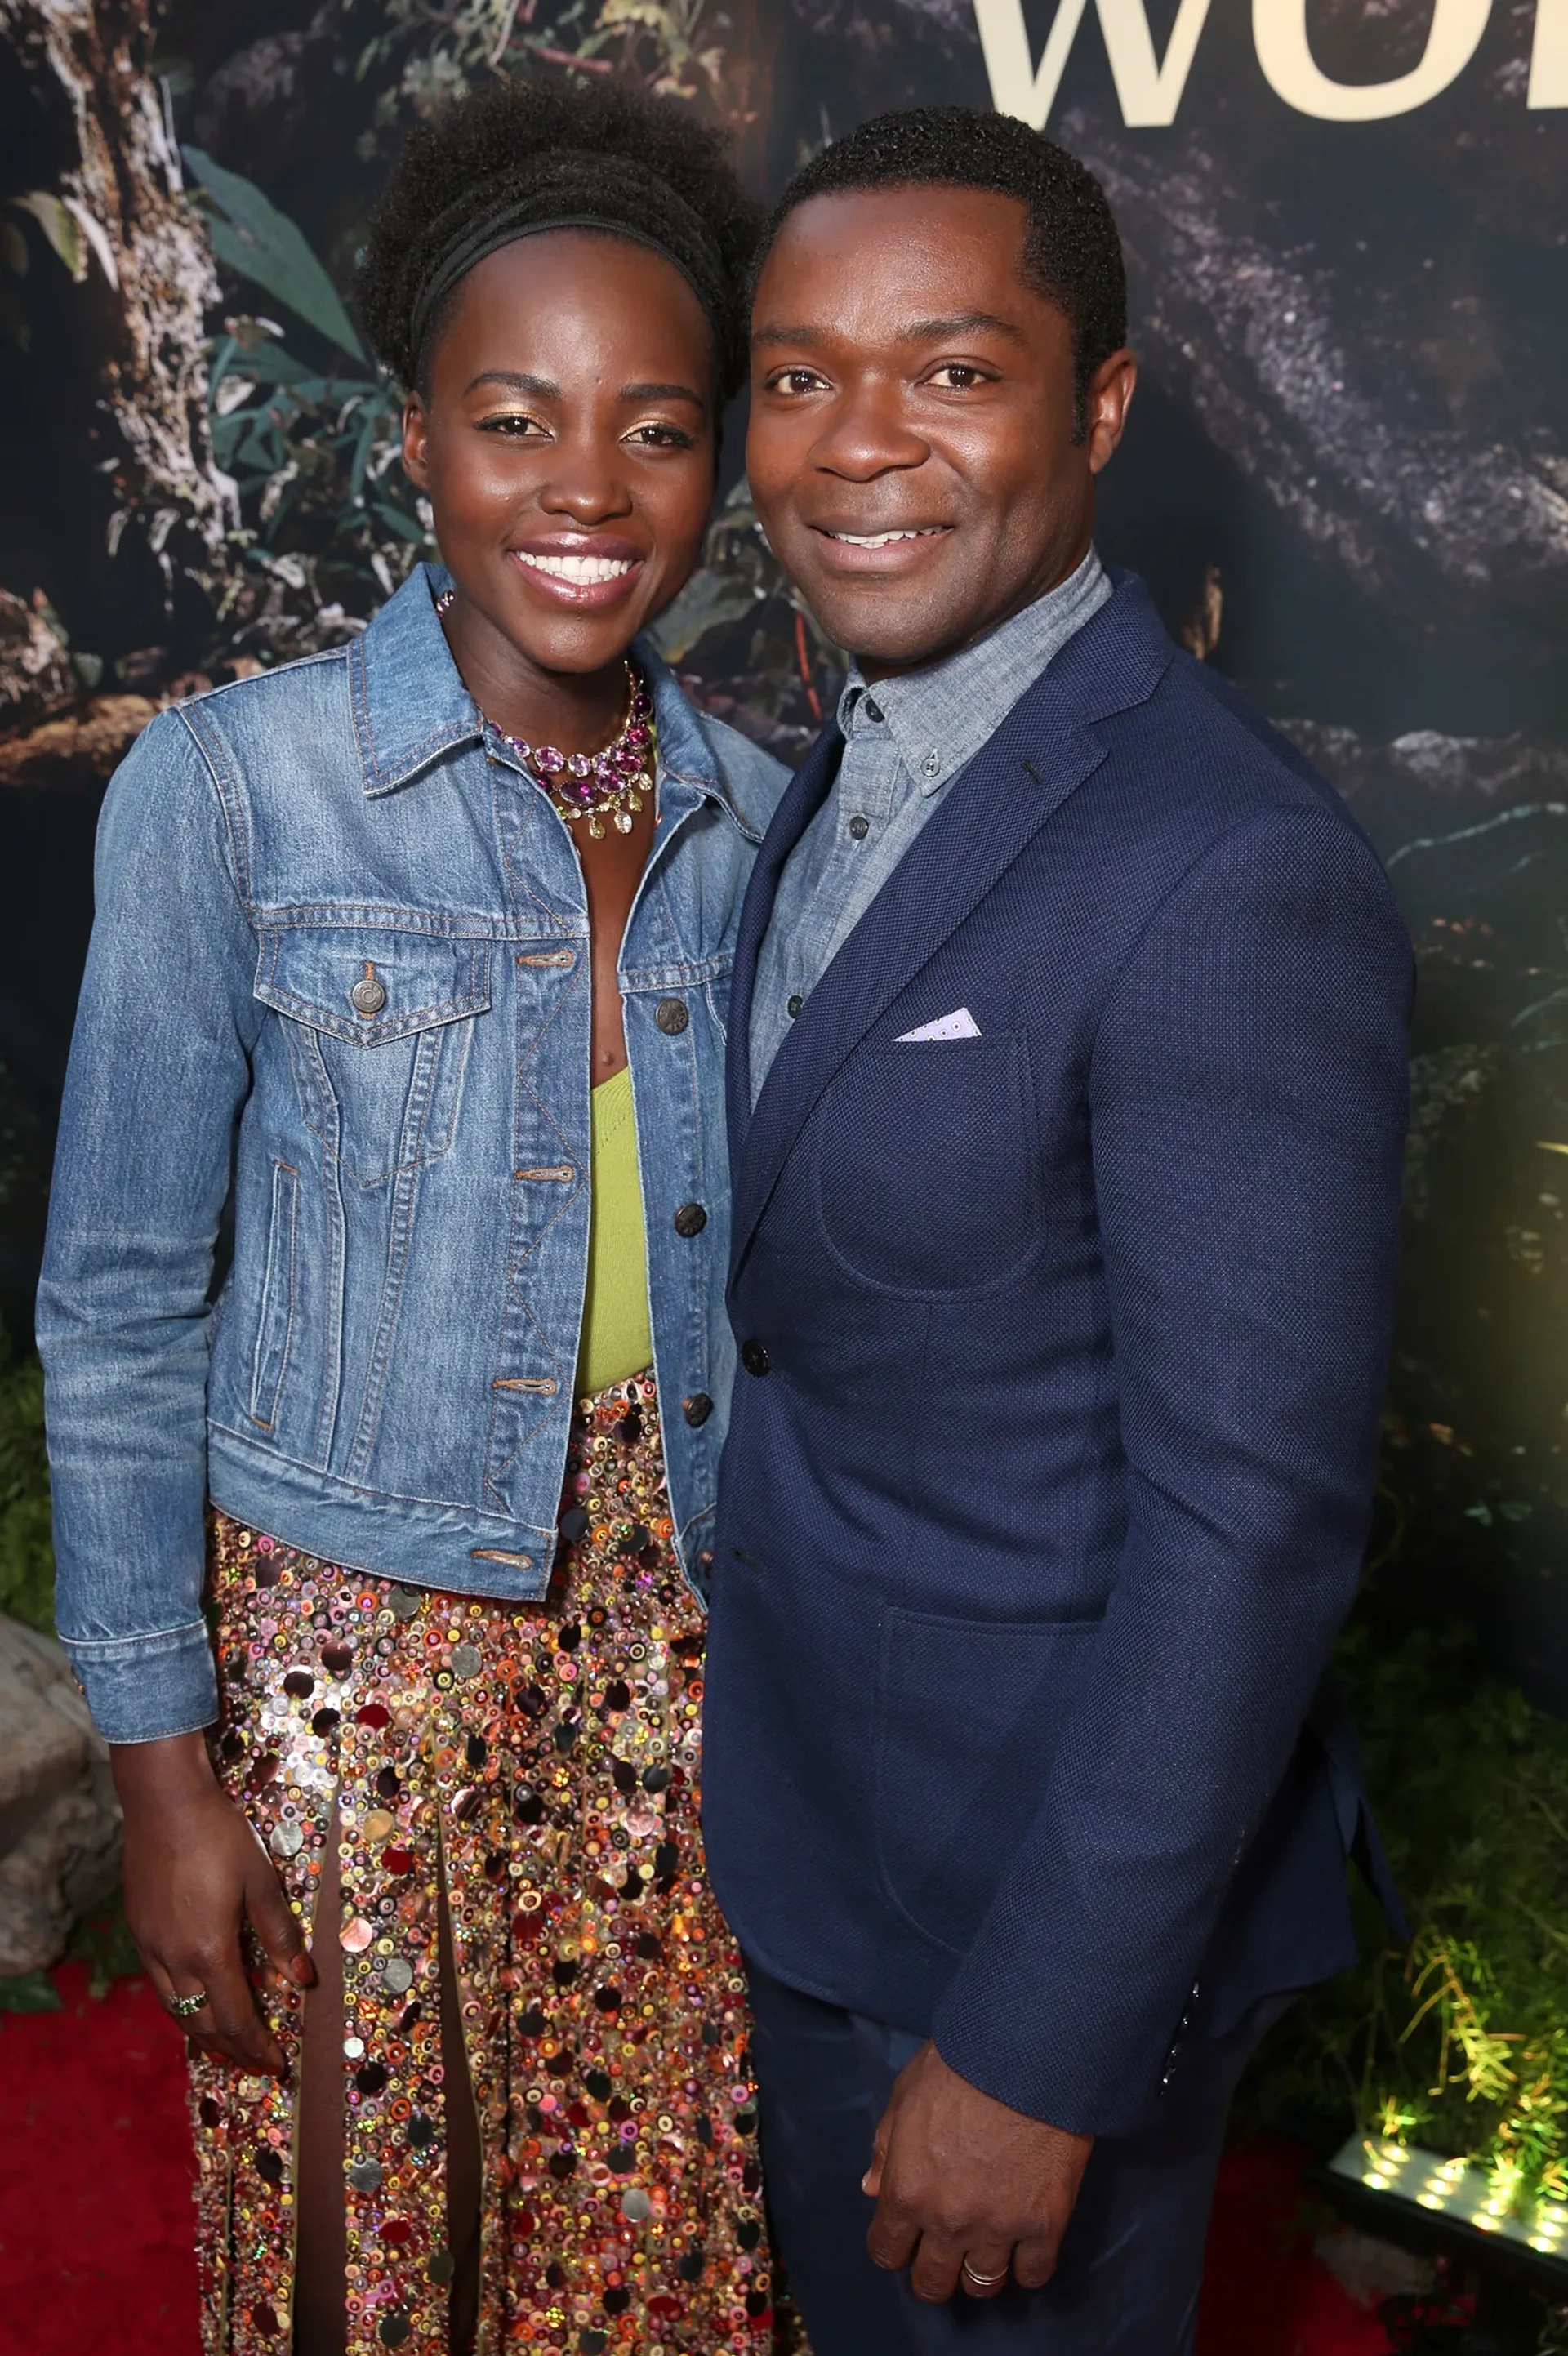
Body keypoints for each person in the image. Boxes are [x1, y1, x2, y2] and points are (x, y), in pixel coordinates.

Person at [38, 78, 791, 2356]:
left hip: (679, 1666)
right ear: (416, 443)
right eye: (514, 418)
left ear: (720, 459)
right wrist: (162, 1778)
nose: (585, 490)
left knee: (645, 2230)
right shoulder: (229, 788)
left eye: (654, 428)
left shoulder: (769, 815)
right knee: (371, 2251)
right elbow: (117, 1306)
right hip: (343, 1673)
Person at [700, 106, 1413, 2354]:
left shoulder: (1224, 866)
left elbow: (1251, 1523)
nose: (855, 441)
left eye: (953, 368)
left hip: (1015, 1943)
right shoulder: (862, 745)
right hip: (840, 1848)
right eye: (799, 373)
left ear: (1098, 403)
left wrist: (1036, 2044)